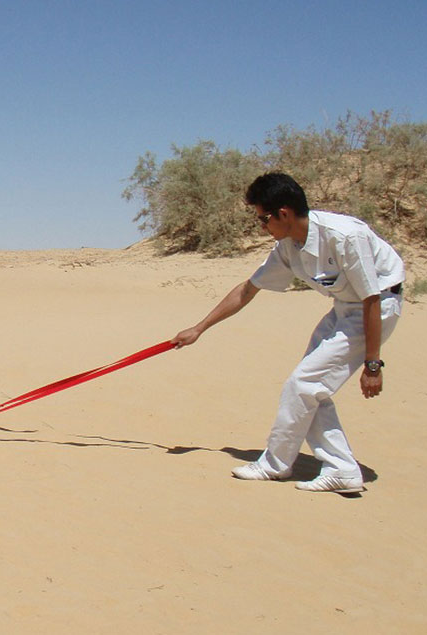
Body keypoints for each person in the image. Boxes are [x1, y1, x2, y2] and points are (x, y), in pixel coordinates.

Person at [171, 172, 405, 494]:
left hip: (376, 307)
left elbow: (372, 299)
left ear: (284, 213)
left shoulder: (344, 236)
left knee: (303, 383)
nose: (262, 228)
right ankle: (341, 469)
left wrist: (373, 364)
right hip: (344, 308)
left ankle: (274, 465)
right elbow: (248, 290)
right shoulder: (288, 248)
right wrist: (199, 328)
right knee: (309, 386)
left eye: (263, 219)